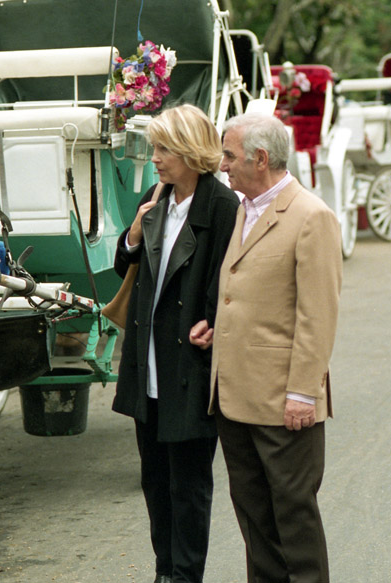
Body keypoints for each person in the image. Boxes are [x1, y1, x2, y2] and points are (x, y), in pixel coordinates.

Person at [190, 113, 342, 582]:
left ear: (260, 158)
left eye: (229, 155)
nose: (222, 166)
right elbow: (250, 292)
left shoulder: (311, 216)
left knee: (293, 520)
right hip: (236, 398)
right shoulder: (244, 208)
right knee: (256, 523)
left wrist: (302, 392)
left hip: (283, 402)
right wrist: (219, 328)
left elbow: (318, 316)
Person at [111, 104, 240, 583]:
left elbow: (233, 285)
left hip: (190, 366)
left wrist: (215, 324)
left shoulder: (223, 209)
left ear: (190, 152)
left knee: (188, 486)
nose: (156, 158)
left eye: (163, 149)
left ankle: (184, 577)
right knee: (155, 483)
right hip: (149, 367)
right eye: (155, 148)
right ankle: (165, 572)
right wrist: (133, 235)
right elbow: (128, 270)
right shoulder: (156, 197)